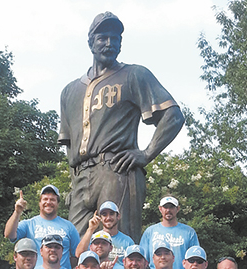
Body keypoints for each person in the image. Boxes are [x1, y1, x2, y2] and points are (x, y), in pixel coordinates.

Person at [58, 12, 184, 243]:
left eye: (115, 39)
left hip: (116, 169)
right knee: (73, 248)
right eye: (103, 37)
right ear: (90, 42)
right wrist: (75, 181)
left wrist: (146, 154)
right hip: (81, 178)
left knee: (119, 245)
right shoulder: (69, 91)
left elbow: (173, 116)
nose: (109, 43)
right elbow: (69, 146)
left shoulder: (134, 75)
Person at [4, 184, 80, 269]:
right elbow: (9, 234)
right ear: (40, 203)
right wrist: (17, 212)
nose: (48, 202)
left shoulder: (69, 226)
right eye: (45, 199)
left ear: (58, 203)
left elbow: (77, 254)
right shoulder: (29, 224)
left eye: (52, 199)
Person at [140, 196, 199, 269]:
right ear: (160, 209)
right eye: (165, 207)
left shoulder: (189, 232)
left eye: (171, 207)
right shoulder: (150, 231)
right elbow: (143, 260)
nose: (168, 210)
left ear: (177, 209)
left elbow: (196, 259)